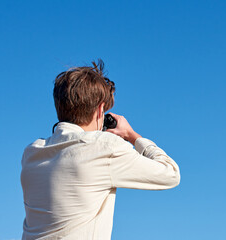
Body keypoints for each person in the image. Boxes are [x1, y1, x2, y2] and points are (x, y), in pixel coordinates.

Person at [20, 60, 181, 240]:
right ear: (100, 110)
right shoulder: (105, 146)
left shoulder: (31, 153)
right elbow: (171, 174)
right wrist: (131, 135)